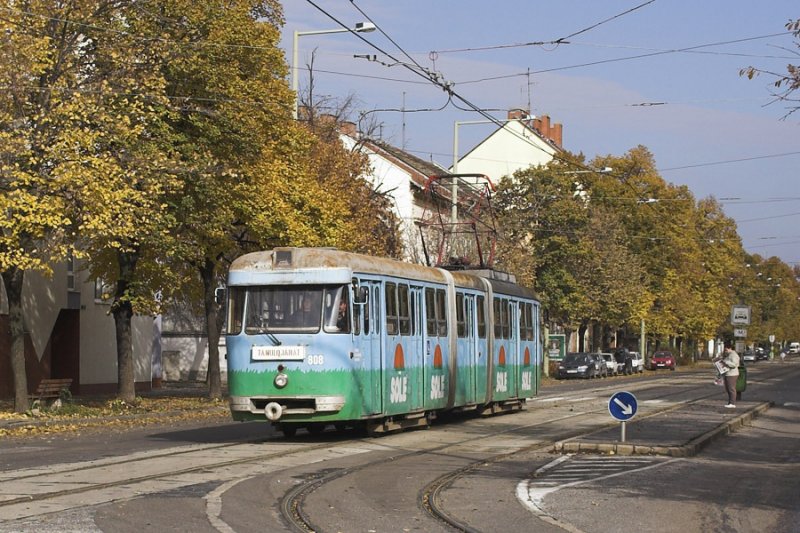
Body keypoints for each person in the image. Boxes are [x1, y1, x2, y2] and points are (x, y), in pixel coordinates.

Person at [716, 341, 740, 408]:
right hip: (728, 374)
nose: (725, 351)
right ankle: (730, 402)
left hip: (732, 374)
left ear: (729, 348)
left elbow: (734, 364)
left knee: (731, 388)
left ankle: (732, 403)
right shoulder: (729, 355)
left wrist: (726, 362)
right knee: (728, 388)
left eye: (726, 349)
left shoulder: (734, 355)